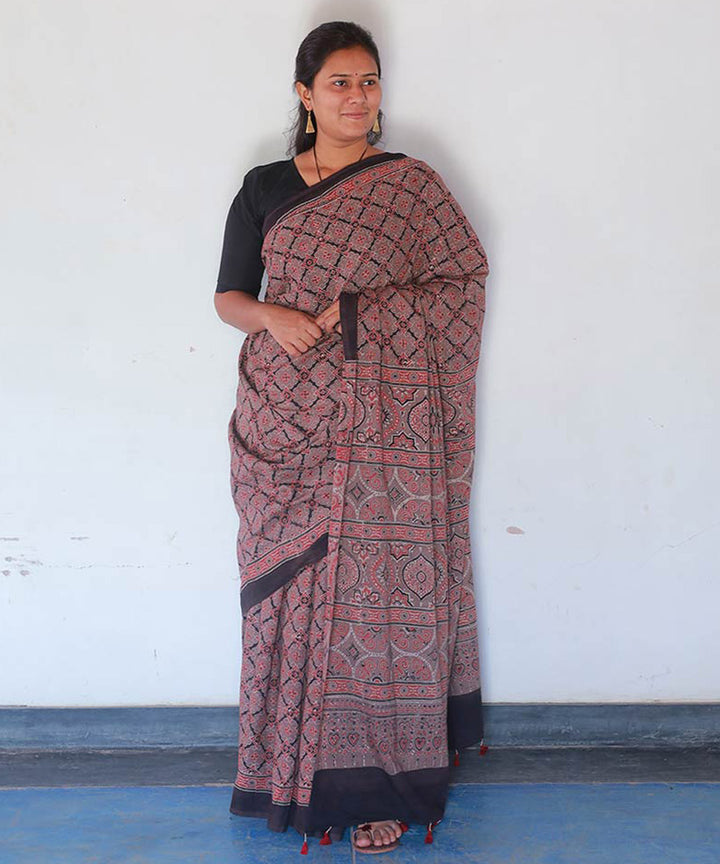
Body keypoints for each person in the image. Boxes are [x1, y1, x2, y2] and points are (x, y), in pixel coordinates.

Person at [214, 20, 490, 856]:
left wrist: (366, 315)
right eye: (339, 82)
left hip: (385, 432)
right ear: (305, 94)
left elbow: (463, 282)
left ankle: (385, 787)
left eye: (368, 81)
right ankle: (280, 770)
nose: (357, 96)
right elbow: (229, 295)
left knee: (382, 601)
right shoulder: (263, 186)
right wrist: (275, 317)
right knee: (282, 599)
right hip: (284, 418)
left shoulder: (411, 187)